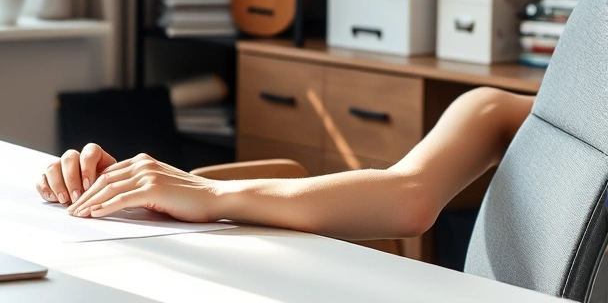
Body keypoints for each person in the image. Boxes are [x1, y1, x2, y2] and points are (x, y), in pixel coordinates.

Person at [36, 87, 535, 241]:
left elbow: (409, 204)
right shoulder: (494, 107)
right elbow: (408, 189)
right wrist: (139, 186)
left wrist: (206, 196)